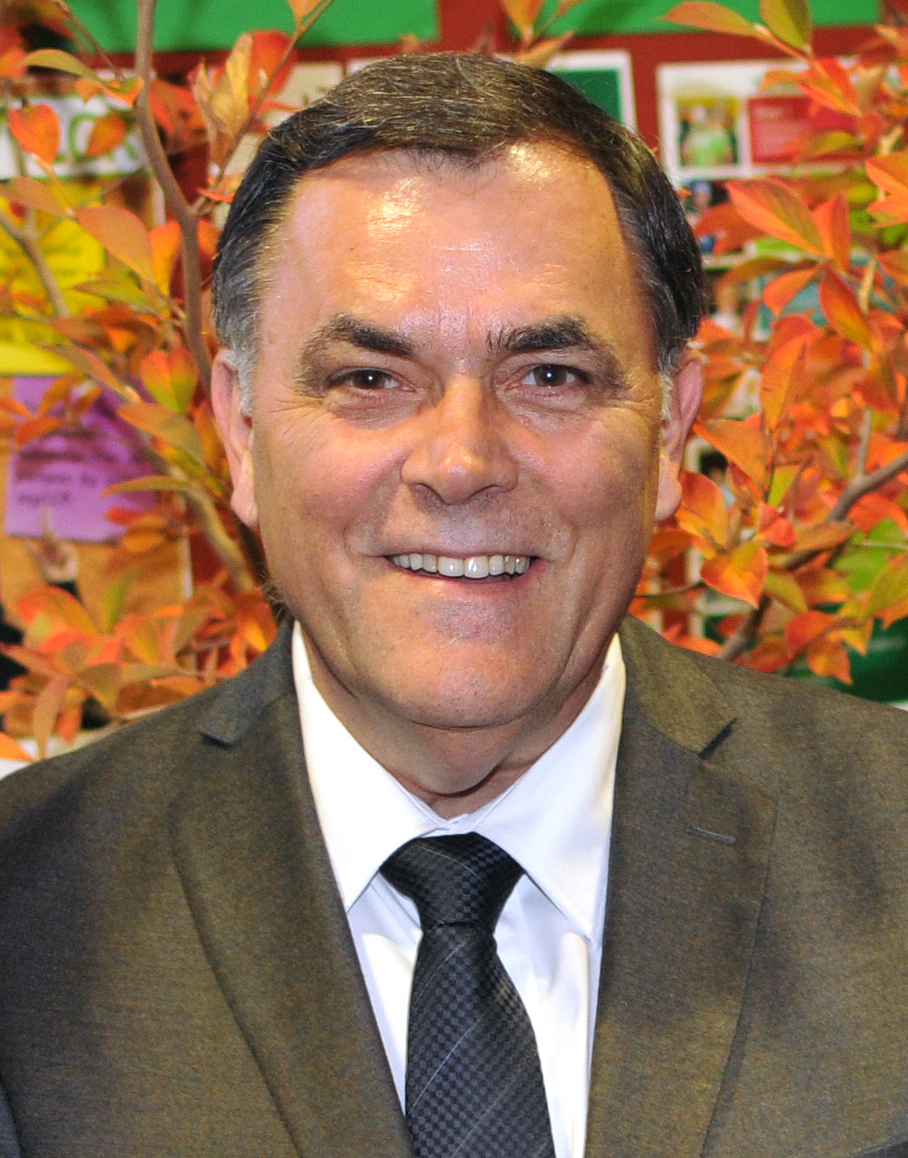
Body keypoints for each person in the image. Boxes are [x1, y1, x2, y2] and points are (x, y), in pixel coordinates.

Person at [0, 53, 907, 1158]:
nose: (462, 462)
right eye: (370, 380)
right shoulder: (30, 912)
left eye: (550, 376)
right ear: (239, 431)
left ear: (671, 431)